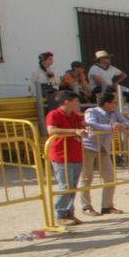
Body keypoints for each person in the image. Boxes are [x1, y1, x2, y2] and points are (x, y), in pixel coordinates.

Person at [81, 88, 129, 215]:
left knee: (110, 177)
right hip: (89, 147)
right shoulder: (91, 111)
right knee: (87, 178)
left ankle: (107, 206)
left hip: (103, 148)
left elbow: (126, 122)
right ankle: (86, 207)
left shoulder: (114, 113)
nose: (116, 104)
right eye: (114, 102)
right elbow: (91, 124)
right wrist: (112, 127)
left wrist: (122, 126)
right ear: (106, 103)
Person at [44, 91, 89, 226]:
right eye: (76, 101)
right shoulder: (54, 114)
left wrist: (86, 127)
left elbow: (82, 124)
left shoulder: (74, 115)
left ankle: (69, 213)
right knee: (65, 186)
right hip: (61, 155)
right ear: (67, 101)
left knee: (72, 186)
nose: (78, 104)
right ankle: (60, 214)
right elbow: (51, 130)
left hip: (75, 154)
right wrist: (73, 131)